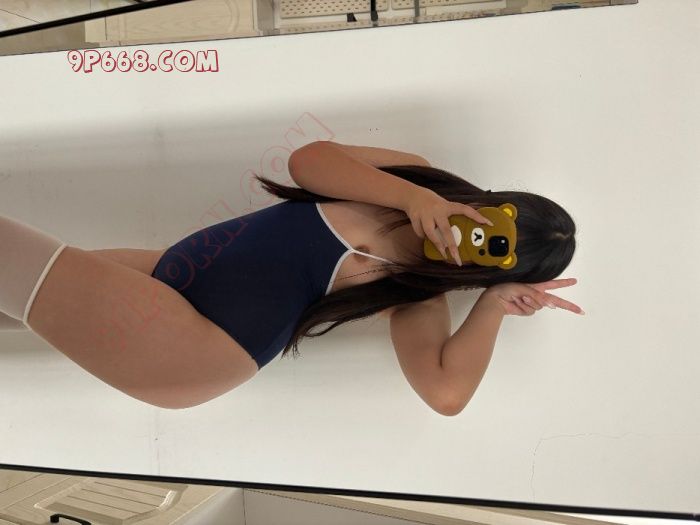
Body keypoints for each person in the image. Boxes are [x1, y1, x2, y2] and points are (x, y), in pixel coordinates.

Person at [0, 141, 582, 414]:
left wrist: (494, 304)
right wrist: (412, 196)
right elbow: (309, 161)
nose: (468, 243)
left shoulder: (416, 293)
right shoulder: (413, 176)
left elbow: (446, 395)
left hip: (196, 348)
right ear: (491, 202)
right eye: (491, 225)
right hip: (165, 273)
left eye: (491, 258)